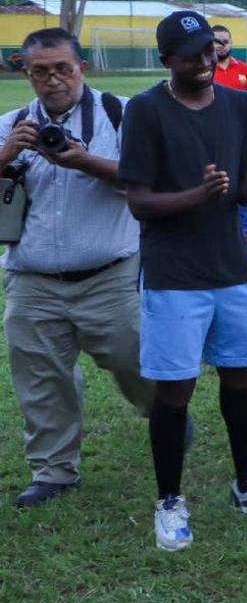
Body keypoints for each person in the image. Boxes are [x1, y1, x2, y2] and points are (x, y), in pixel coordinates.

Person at [120, 10, 247, 552]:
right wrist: (197, 196)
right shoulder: (146, 111)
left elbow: (241, 187)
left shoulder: (241, 105)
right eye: (191, 55)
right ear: (165, 60)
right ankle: (170, 501)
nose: (204, 62)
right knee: (175, 389)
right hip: (174, 274)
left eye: (209, 51)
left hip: (234, 268)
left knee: (241, 378)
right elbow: (138, 202)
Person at [0, 28, 154, 508]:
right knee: (41, 379)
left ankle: (164, 412)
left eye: (62, 69)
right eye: (39, 71)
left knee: (137, 363)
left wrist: (85, 161)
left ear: (82, 68)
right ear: (25, 72)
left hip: (110, 274)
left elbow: (147, 182)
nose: (52, 81)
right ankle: (54, 470)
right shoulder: (9, 124)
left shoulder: (121, 114)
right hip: (31, 279)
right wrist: (6, 157)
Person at [210, 25, 247, 246]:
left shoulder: (244, 70)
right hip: (212, 133)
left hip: (239, 136)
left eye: (226, 40)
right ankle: (214, 229)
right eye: (217, 40)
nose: (222, 44)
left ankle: (246, 231)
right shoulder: (205, 69)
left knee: (244, 178)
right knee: (215, 181)